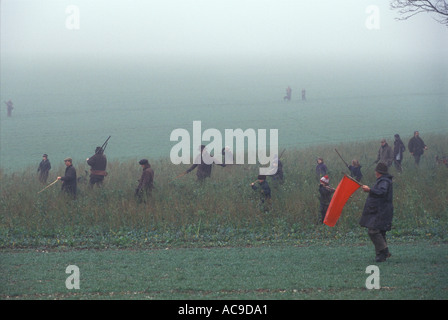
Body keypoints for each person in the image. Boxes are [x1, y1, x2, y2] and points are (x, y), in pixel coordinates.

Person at [359, 162, 394, 262]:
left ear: (379, 172)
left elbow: (382, 192)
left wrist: (370, 190)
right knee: (381, 232)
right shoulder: (383, 180)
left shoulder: (384, 181)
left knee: (373, 231)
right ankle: (381, 256)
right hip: (381, 210)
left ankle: (384, 250)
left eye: (376, 171)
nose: (375, 173)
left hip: (382, 211)